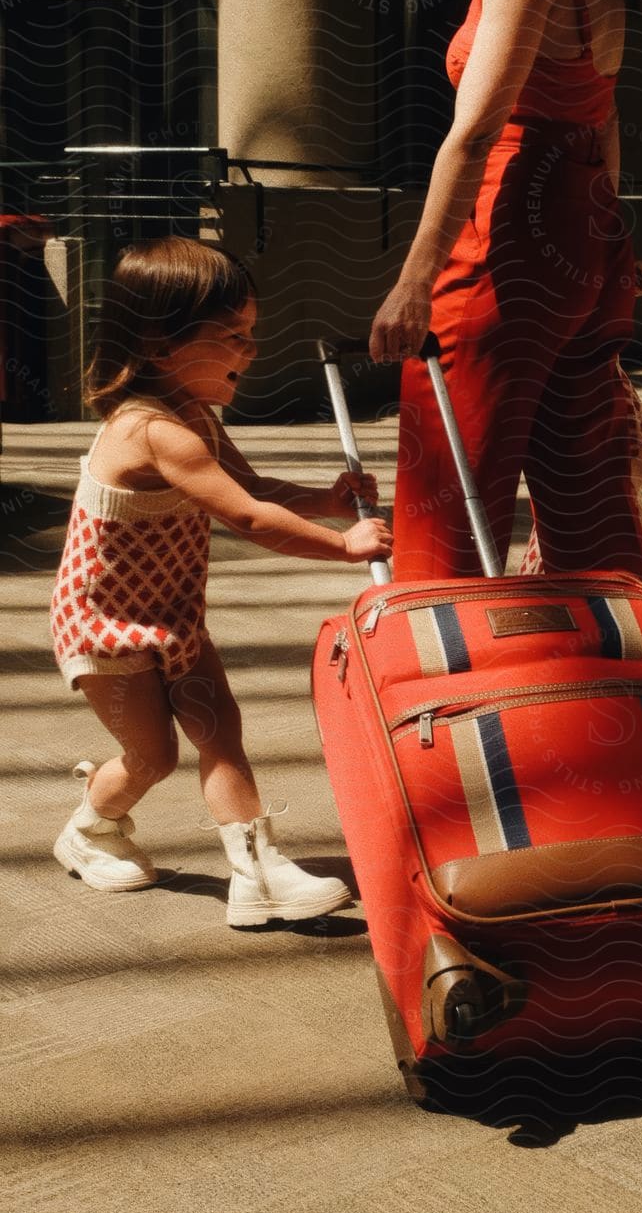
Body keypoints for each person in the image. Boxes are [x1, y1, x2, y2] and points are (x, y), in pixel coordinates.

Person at [369, 0, 642, 586]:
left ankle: (449, 697)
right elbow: (603, 119)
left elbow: (478, 130)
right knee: (588, 490)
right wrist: (607, 244)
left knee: (449, 487)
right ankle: (625, 683)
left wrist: (413, 282)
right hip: (583, 242)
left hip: (506, 243)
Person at [49, 237, 392, 925]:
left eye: (251, 333)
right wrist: (343, 545)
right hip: (104, 623)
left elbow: (254, 486)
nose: (250, 350)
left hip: (171, 612)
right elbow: (245, 515)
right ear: (160, 341)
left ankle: (256, 870)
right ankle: (87, 831)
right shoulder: (150, 430)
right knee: (150, 756)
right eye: (231, 337)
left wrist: (324, 499)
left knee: (220, 732)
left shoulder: (195, 414)